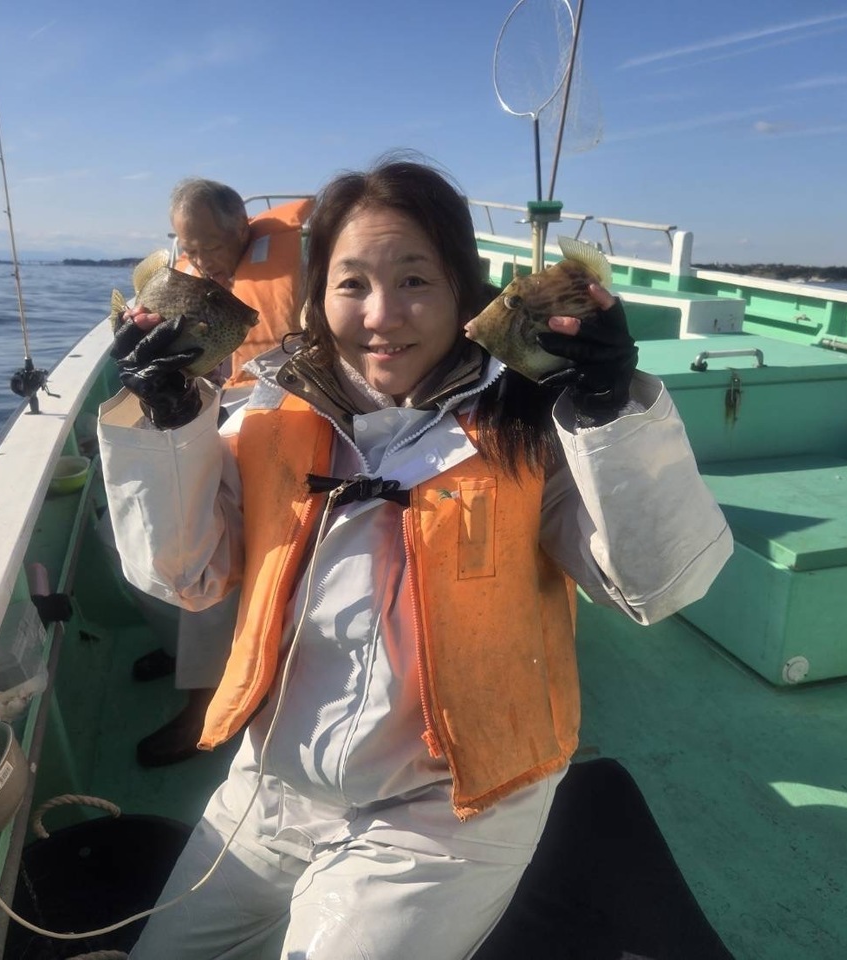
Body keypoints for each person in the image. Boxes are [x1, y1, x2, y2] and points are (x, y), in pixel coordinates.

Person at [99, 156, 732, 959]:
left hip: (451, 808)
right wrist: (166, 418)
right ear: (317, 296)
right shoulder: (265, 419)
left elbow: (658, 584)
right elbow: (183, 576)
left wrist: (608, 411)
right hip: (272, 789)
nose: (382, 316)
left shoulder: (531, 427)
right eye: (352, 283)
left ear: (464, 292)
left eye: (415, 281)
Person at [128, 178, 314, 767]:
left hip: (278, 408)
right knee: (125, 527)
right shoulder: (188, 279)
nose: (202, 260)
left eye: (210, 245)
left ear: (242, 229)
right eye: (189, 247)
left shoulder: (301, 263)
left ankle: (204, 700)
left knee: (202, 533)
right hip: (207, 408)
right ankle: (180, 649)